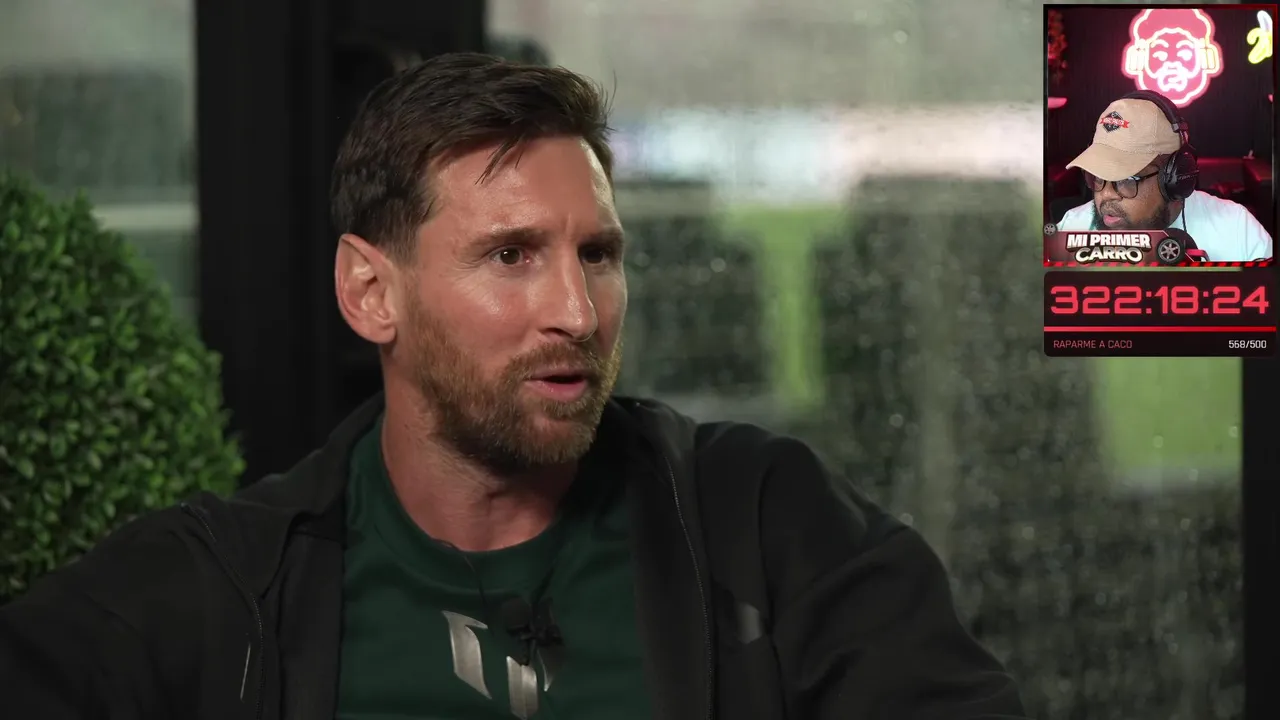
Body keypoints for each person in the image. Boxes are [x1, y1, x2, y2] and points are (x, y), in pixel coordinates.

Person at [0, 53, 1026, 719]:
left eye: (598, 255)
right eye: (510, 256)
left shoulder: (767, 528)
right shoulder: (222, 589)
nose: (576, 311)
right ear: (371, 292)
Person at [1055, 90, 1273, 262]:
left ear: (1175, 177)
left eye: (1127, 179)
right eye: (1098, 176)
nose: (1106, 195)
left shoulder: (1237, 230)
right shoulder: (1071, 228)